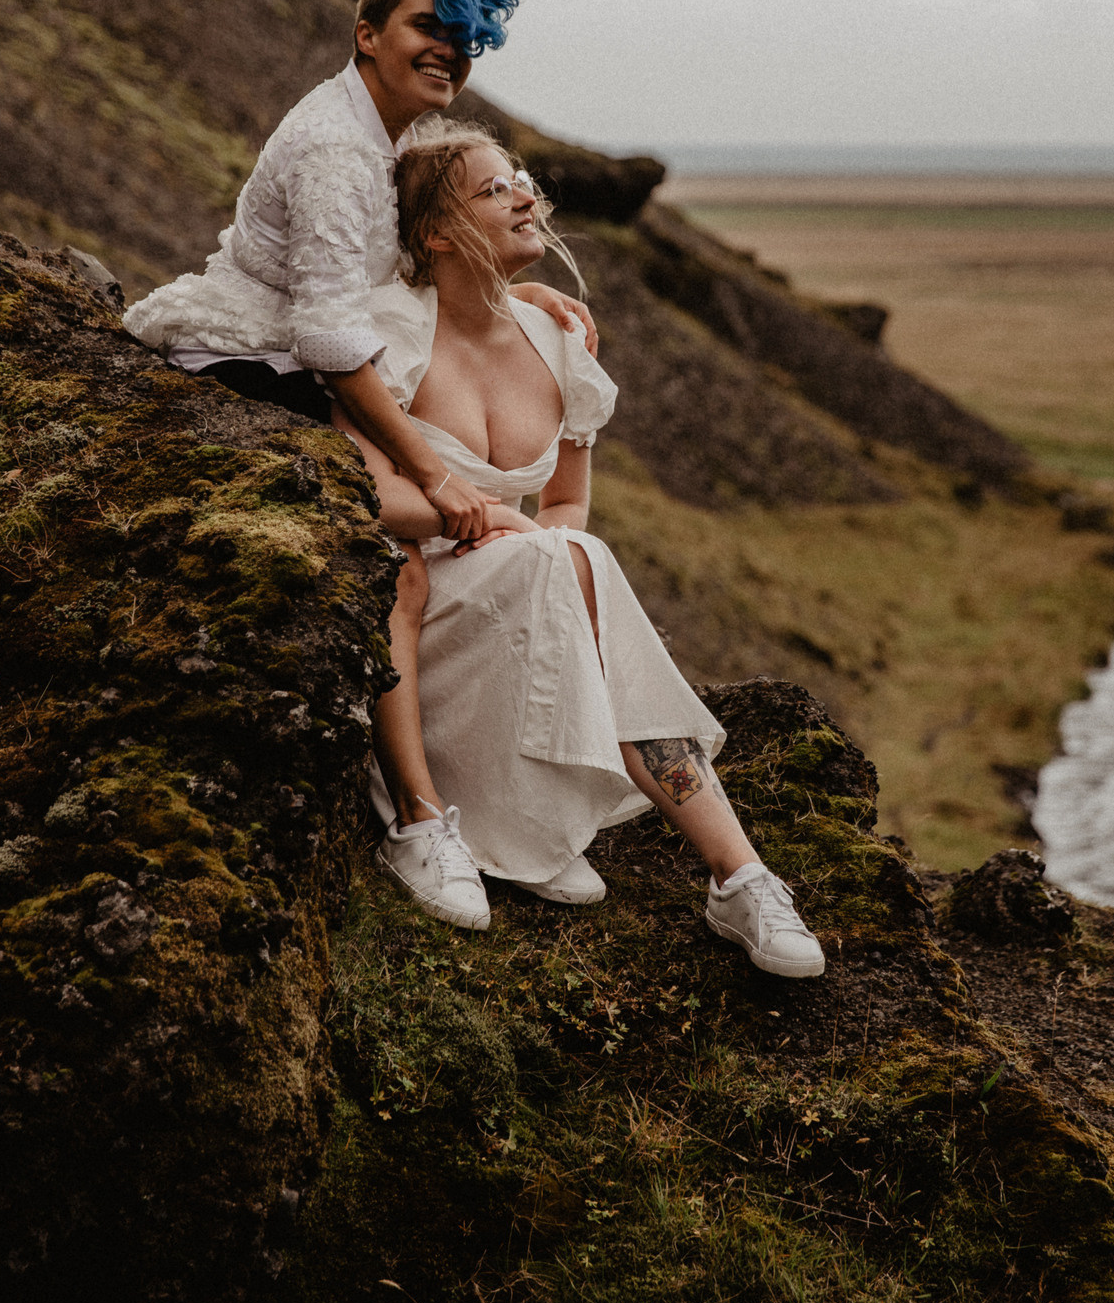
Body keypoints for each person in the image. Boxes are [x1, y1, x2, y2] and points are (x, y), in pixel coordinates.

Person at [124, 0, 597, 846]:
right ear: (367, 34)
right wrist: (442, 478)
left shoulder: (390, 131)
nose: (448, 50)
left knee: (444, 532)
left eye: (463, 37)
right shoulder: (337, 149)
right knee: (402, 556)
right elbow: (332, 343)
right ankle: (417, 815)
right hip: (248, 364)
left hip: (305, 359)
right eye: (428, 27)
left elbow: (409, 262)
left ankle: (488, 769)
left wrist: (519, 294)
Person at [335, 124, 826, 978]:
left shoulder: (563, 344)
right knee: (567, 558)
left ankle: (741, 875)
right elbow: (368, 494)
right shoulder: (387, 335)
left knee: (573, 555)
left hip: (524, 611)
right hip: (421, 614)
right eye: (494, 189)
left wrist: (536, 539)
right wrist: (504, 523)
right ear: (437, 233)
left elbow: (564, 505)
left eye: (522, 179)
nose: (527, 196)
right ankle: (729, 873)